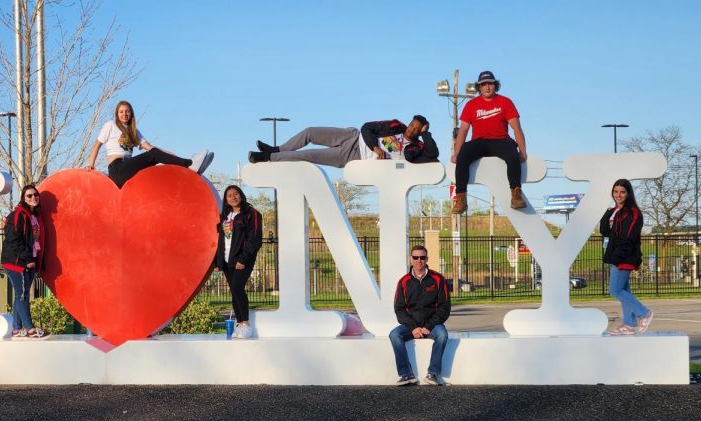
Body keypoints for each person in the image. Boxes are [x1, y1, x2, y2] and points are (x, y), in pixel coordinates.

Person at [87, 100, 214, 188]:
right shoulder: (111, 125)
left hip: (128, 170)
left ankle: (186, 171)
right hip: (117, 169)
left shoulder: (134, 131)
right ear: (117, 114)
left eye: (127, 111)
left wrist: (173, 157)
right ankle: (189, 164)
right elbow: (97, 144)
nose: (124, 114)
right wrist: (91, 165)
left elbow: (152, 148)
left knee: (154, 160)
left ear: (131, 114)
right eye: (121, 111)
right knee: (152, 155)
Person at [450, 70, 528, 214]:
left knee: (513, 155)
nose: (487, 87)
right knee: (463, 155)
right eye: (483, 84)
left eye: (490, 84)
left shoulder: (505, 102)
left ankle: (516, 195)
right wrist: (456, 153)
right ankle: (461, 198)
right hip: (479, 142)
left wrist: (523, 152)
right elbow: (463, 131)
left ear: (495, 85)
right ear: (479, 87)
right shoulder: (471, 105)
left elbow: (517, 128)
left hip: (501, 140)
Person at [248, 115, 439, 168]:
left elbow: (433, 155)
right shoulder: (396, 125)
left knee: (306, 156)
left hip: (352, 156)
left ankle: (267, 157)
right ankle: (277, 148)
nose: (411, 129)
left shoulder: (415, 148)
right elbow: (367, 127)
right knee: (310, 132)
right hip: (353, 137)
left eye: (416, 129)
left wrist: (426, 134)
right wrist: (375, 147)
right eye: (412, 125)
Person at [389, 245, 451, 386]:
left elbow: (445, 307)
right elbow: (399, 309)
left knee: (442, 335)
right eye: (416, 257)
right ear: (411, 259)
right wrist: (413, 328)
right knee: (394, 335)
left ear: (427, 259)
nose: (419, 260)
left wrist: (429, 326)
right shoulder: (403, 281)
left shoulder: (438, 279)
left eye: (422, 257)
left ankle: (433, 374)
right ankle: (406, 375)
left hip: (433, 326)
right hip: (411, 326)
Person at [600, 179, 653, 336]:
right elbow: (605, 232)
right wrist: (607, 213)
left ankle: (644, 313)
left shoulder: (633, 213)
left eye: (622, 192)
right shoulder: (615, 211)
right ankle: (629, 325)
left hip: (625, 256)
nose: (618, 195)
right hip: (615, 255)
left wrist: (617, 256)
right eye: (616, 191)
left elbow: (628, 238)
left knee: (615, 290)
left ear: (628, 193)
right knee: (624, 290)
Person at [1, 184, 49, 339]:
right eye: (29, 195)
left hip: (29, 261)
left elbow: (35, 240)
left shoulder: (35, 216)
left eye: (35, 195)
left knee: (20, 295)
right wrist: (27, 258)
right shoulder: (18, 215)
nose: (33, 197)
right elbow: (14, 238)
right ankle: (30, 329)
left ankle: (16, 329)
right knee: (23, 295)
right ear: (23, 198)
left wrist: (37, 260)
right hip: (17, 262)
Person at [215, 185, 263, 339]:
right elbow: (221, 240)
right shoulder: (225, 216)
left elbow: (254, 239)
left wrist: (243, 258)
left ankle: (246, 324)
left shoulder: (252, 214)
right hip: (227, 259)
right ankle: (240, 322)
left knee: (237, 287)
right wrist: (219, 262)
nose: (233, 197)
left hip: (242, 259)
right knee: (234, 291)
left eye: (236, 194)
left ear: (241, 195)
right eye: (229, 195)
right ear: (226, 200)